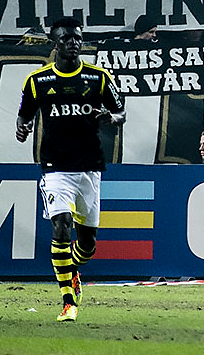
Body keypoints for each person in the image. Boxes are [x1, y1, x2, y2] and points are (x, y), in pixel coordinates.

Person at [15, 17, 126, 322]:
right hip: (55, 167)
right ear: (55, 43)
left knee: (88, 245)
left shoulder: (98, 78)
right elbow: (23, 115)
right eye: (66, 39)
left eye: (77, 38)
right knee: (61, 225)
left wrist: (111, 119)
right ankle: (67, 300)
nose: (73, 43)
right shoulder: (37, 81)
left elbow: (121, 112)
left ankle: (73, 268)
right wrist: (22, 128)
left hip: (90, 166)